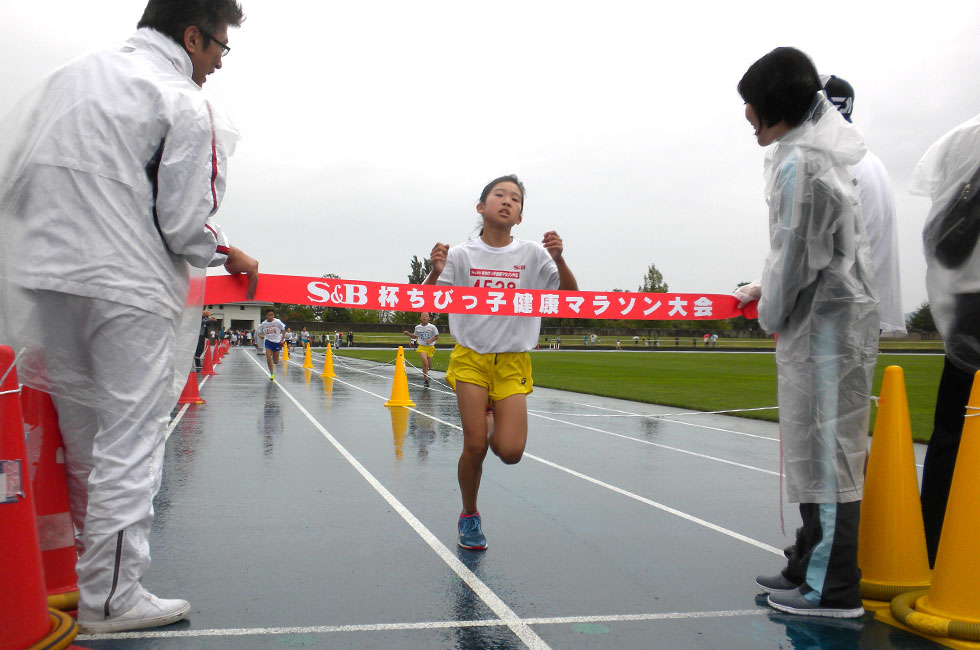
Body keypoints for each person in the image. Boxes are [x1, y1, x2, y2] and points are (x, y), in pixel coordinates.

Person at [0, 0, 257, 634]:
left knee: (85, 438)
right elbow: (183, 223)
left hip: (43, 281)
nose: (220, 62)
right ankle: (113, 596)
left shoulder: (67, 77)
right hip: (127, 286)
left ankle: (96, 579)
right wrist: (228, 250)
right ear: (192, 37)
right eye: (221, 46)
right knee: (130, 443)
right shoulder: (188, 102)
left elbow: (12, 178)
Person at [734, 47, 878, 619]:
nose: (746, 115)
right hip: (823, 325)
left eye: (750, 103)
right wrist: (761, 288)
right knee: (817, 453)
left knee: (829, 456)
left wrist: (770, 307)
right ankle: (810, 566)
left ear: (771, 103)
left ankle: (831, 589)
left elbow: (797, 257)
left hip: (826, 331)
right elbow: (792, 254)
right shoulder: (804, 157)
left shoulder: (803, 164)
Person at [425, 174, 577, 550]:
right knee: (475, 446)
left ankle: (491, 416)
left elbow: (572, 298)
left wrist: (559, 260)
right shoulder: (461, 255)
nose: (508, 201)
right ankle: (469, 515)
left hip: (512, 361)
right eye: (499, 195)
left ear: (520, 217)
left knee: (509, 453)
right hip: (471, 359)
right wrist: (434, 271)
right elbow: (424, 303)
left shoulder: (533, 255)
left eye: (516, 199)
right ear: (481, 207)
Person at [911, 113, 980, 567]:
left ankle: (935, 546)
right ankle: (936, 542)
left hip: (968, 322)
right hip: (969, 323)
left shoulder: (965, 146)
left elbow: (942, 242)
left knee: (952, 439)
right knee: (952, 439)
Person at [823, 75, 906, 336]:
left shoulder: (831, 160)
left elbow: (817, 248)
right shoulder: (869, 159)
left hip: (842, 306)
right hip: (867, 303)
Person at [403, 312, 439, 387]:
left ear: (429, 318)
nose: (424, 317)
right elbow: (414, 336)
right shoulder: (417, 327)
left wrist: (430, 340)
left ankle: (426, 371)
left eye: (426, 316)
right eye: (423, 316)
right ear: (420, 318)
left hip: (430, 347)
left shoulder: (432, 327)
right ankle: (426, 380)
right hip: (422, 347)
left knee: (429, 365)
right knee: (425, 362)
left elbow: (436, 336)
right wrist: (408, 334)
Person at [259, 309, 286, 380]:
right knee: (268, 358)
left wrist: (282, 339)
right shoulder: (263, 324)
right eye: (269, 315)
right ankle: (272, 374)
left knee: (275, 361)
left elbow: (283, 330)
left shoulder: (277, 322)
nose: (270, 317)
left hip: (277, 342)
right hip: (268, 342)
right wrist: (261, 336)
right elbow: (259, 332)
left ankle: (273, 367)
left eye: (272, 315)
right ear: (266, 315)